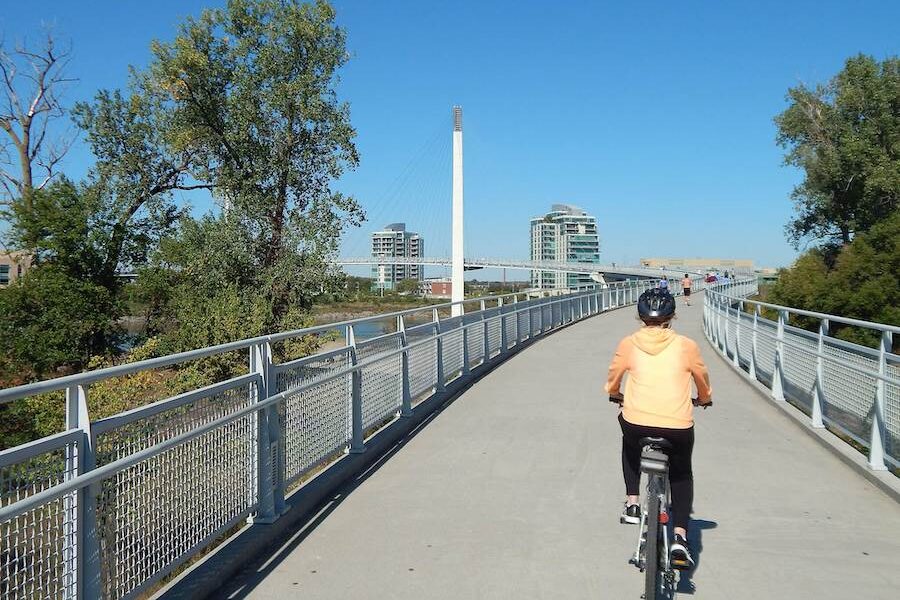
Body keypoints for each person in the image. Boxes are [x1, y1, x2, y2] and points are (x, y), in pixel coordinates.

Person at [604, 288, 712, 569]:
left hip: (637, 422)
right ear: (672, 316)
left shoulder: (629, 343)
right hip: (677, 425)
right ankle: (679, 537)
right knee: (681, 472)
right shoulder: (686, 345)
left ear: (640, 316)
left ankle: (632, 502)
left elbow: (614, 375)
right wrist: (704, 398)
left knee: (629, 444)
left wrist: (614, 392)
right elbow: (701, 376)